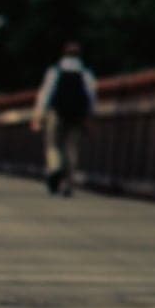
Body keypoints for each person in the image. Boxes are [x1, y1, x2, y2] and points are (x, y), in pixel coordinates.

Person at [35, 43, 96, 195]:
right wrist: (89, 116)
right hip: (77, 114)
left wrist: (39, 115)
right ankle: (68, 183)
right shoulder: (86, 73)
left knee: (52, 144)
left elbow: (45, 93)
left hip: (57, 112)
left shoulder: (55, 71)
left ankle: (55, 168)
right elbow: (91, 96)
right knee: (72, 147)